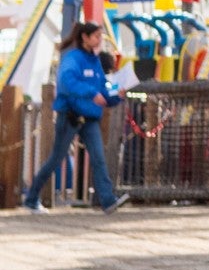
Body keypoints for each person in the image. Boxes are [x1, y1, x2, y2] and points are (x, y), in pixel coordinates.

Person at [22, 21, 130, 214]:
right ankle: (31, 199)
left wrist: (116, 95)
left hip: (90, 118)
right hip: (70, 116)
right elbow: (66, 82)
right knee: (56, 158)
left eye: (100, 36)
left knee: (98, 158)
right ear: (85, 37)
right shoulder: (73, 58)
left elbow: (103, 89)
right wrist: (91, 93)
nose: (99, 40)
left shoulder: (94, 61)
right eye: (96, 36)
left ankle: (108, 201)